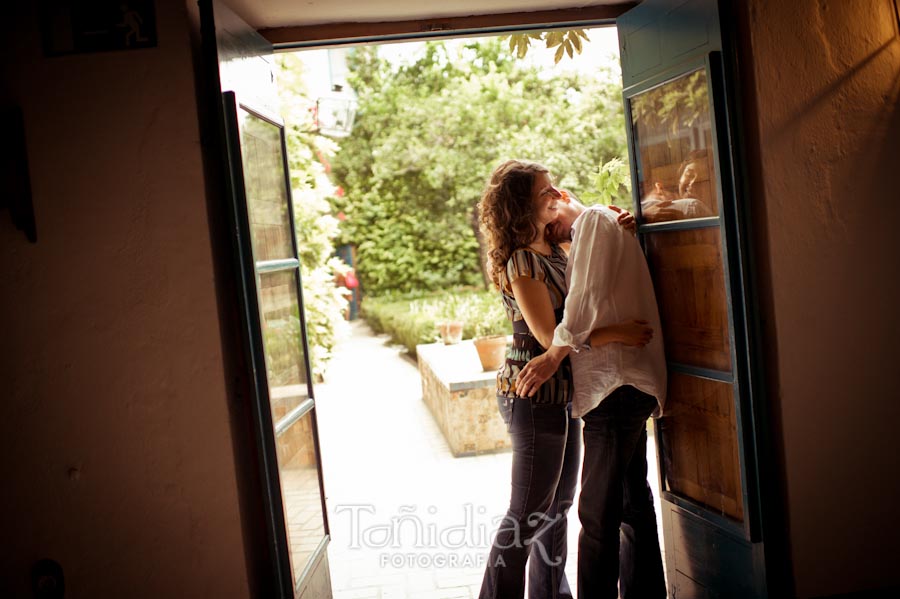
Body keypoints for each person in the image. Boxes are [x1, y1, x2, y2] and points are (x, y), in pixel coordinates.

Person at [476, 160, 648, 599]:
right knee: (528, 513)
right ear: (521, 207)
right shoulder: (522, 263)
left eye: (554, 188)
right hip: (531, 393)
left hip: (563, 392)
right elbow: (550, 336)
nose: (557, 195)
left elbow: (596, 269)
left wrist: (616, 219)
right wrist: (618, 332)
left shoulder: (556, 251)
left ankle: (551, 594)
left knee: (558, 507)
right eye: (545, 192)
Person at [516, 191, 668, 599]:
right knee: (633, 503)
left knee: (597, 515)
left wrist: (553, 355)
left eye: (550, 220)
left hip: (614, 385)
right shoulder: (596, 227)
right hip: (622, 383)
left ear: (563, 197)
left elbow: (582, 304)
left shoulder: (596, 221)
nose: (551, 231)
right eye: (544, 230)